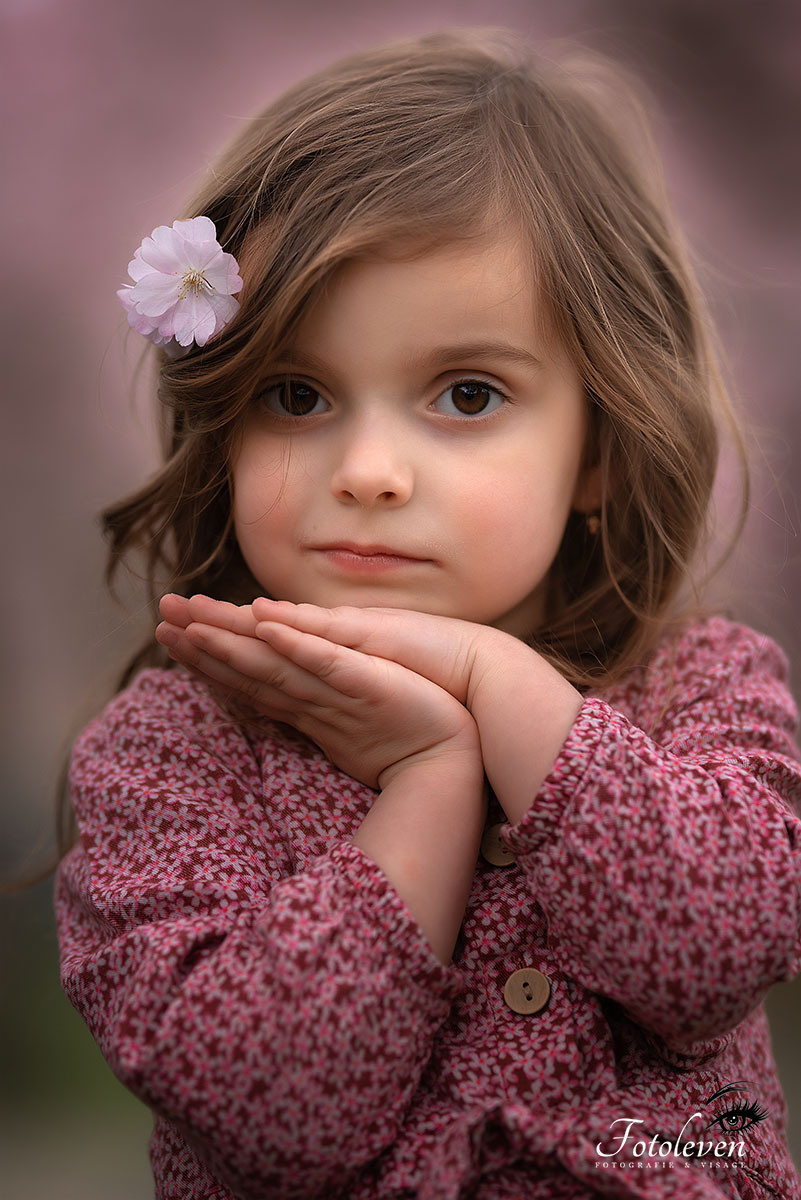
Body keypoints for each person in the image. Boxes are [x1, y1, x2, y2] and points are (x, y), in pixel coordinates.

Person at [55, 26, 801, 1200]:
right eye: (297, 395)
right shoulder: (174, 758)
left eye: (466, 393)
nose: (369, 469)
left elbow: (718, 948)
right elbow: (270, 1109)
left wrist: (495, 685)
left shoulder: (703, 690)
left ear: (598, 448)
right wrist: (429, 783)